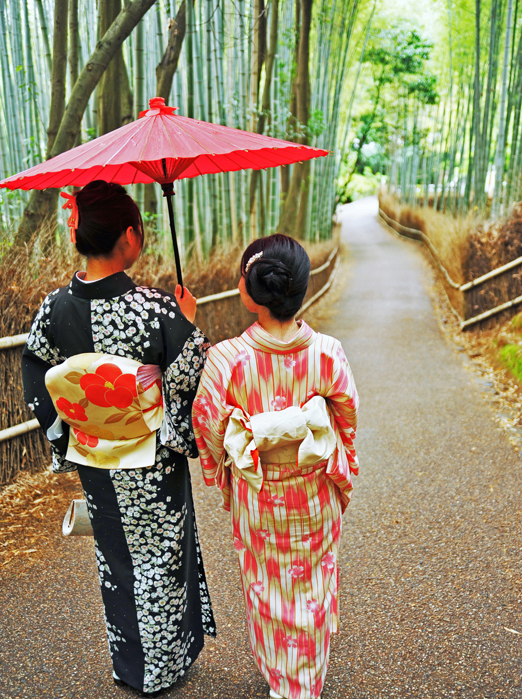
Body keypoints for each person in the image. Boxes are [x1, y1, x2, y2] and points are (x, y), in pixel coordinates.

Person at [22, 180, 216, 695]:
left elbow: (35, 367)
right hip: (151, 459)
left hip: (95, 458)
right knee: (159, 557)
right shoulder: (154, 308)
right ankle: (162, 667)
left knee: (116, 558)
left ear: (79, 236)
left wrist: (66, 432)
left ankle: (130, 665)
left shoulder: (54, 308)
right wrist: (187, 326)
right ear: (129, 238)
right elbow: (186, 378)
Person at [192, 234, 359, 699]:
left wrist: (224, 468)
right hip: (315, 491)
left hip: (260, 496)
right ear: (299, 289)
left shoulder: (226, 360)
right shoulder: (328, 352)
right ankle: (303, 677)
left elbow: (206, 426)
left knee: (266, 583)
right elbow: (346, 419)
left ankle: (285, 680)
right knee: (314, 578)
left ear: (249, 292)